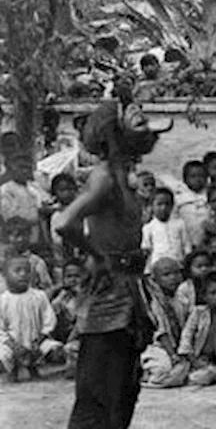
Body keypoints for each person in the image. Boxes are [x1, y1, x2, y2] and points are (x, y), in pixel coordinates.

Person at [52, 99, 170, 427]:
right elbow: (65, 222)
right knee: (100, 390)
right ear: (116, 135)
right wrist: (96, 255)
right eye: (137, 123)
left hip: (128, 289)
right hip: (109, 294)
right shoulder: (104, 178)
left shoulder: (122, 176)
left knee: (123, 389)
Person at [0, 255, 63, 381]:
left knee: (57, 349)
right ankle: (12, 371)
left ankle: (34, 368)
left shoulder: (39, 296)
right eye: (17, 271)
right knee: (3, 353)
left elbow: (49, 320)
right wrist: (14, 345)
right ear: (5, 275)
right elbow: (1, 329)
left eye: (27, 271)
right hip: (12, 344)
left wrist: (40, 338)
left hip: (37, 341)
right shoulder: (3, 300)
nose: (23, 274)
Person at [139, 257, 188, 389]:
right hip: (159, 346)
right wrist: (173, 355)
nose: (173, 278)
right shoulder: (154, 302)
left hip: (179, 346)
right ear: (155, 279)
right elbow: (161, 333)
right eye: (167, 275)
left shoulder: (182, 299)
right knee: (164, 369)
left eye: (177, 273)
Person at [1, 155, 51, 247]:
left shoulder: (35, 187)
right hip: (18, 240)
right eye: (21, 167)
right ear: (12, 169)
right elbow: (9, 218)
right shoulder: (5, 190)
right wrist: (38, 213)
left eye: (28, 167)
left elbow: (47, 200)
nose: (25, 171)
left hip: (39, 236)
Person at [141, 188, 190, 274]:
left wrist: (187, 261)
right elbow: (147, 249)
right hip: (158, 266)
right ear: (152, 206)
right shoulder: (148, 227)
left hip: (178, 263)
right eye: (159, 204)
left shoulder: (180, 224)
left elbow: (186, 245)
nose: (163, 208)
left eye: (167, 204)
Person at [174, 249, 213, 320]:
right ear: (189, 269)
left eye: (207, 265)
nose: (204, 269)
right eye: (199, 266)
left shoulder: (215, 284)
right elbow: (183, 312)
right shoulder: (185, 288)